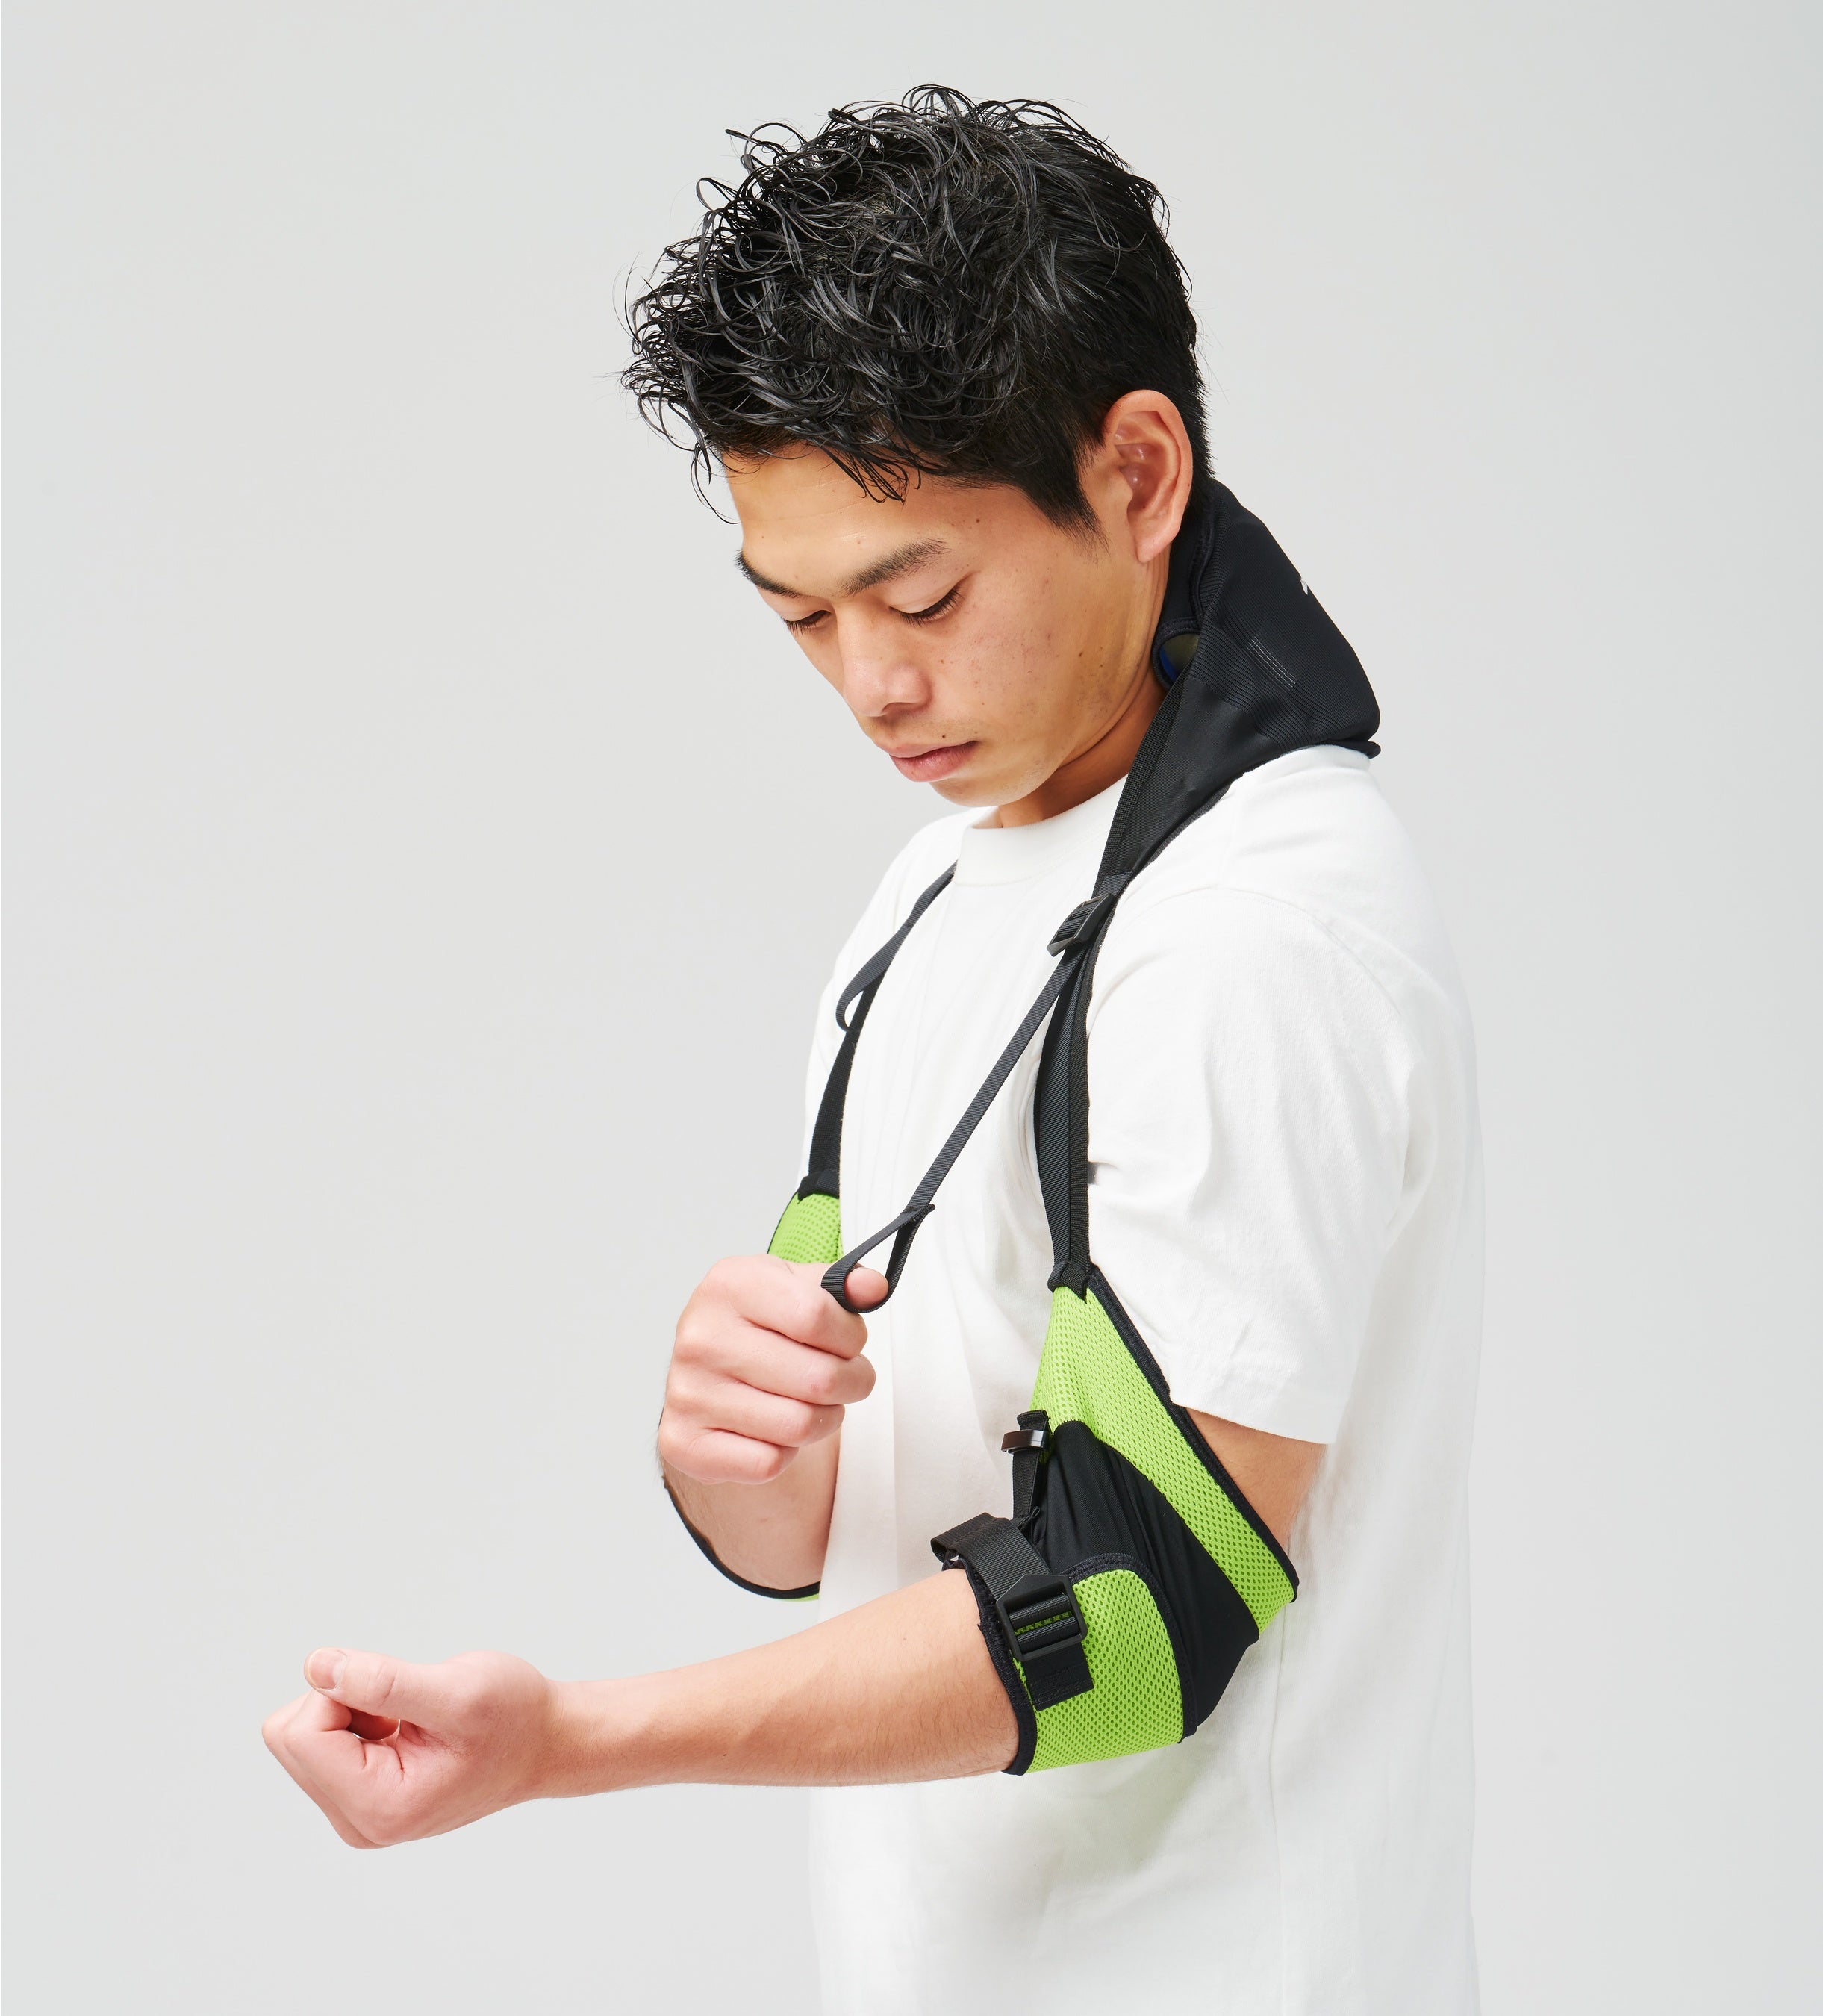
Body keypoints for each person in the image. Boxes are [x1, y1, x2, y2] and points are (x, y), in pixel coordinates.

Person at [263, 87, 1483, 2015]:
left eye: (922, 595)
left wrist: (572, 1740)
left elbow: (1137, 1608)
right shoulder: (939, 879)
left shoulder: (1254, 932)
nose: (874, 684)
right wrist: (740, 1443)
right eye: (802, 617)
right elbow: (842, 1521)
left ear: (1139, 474)